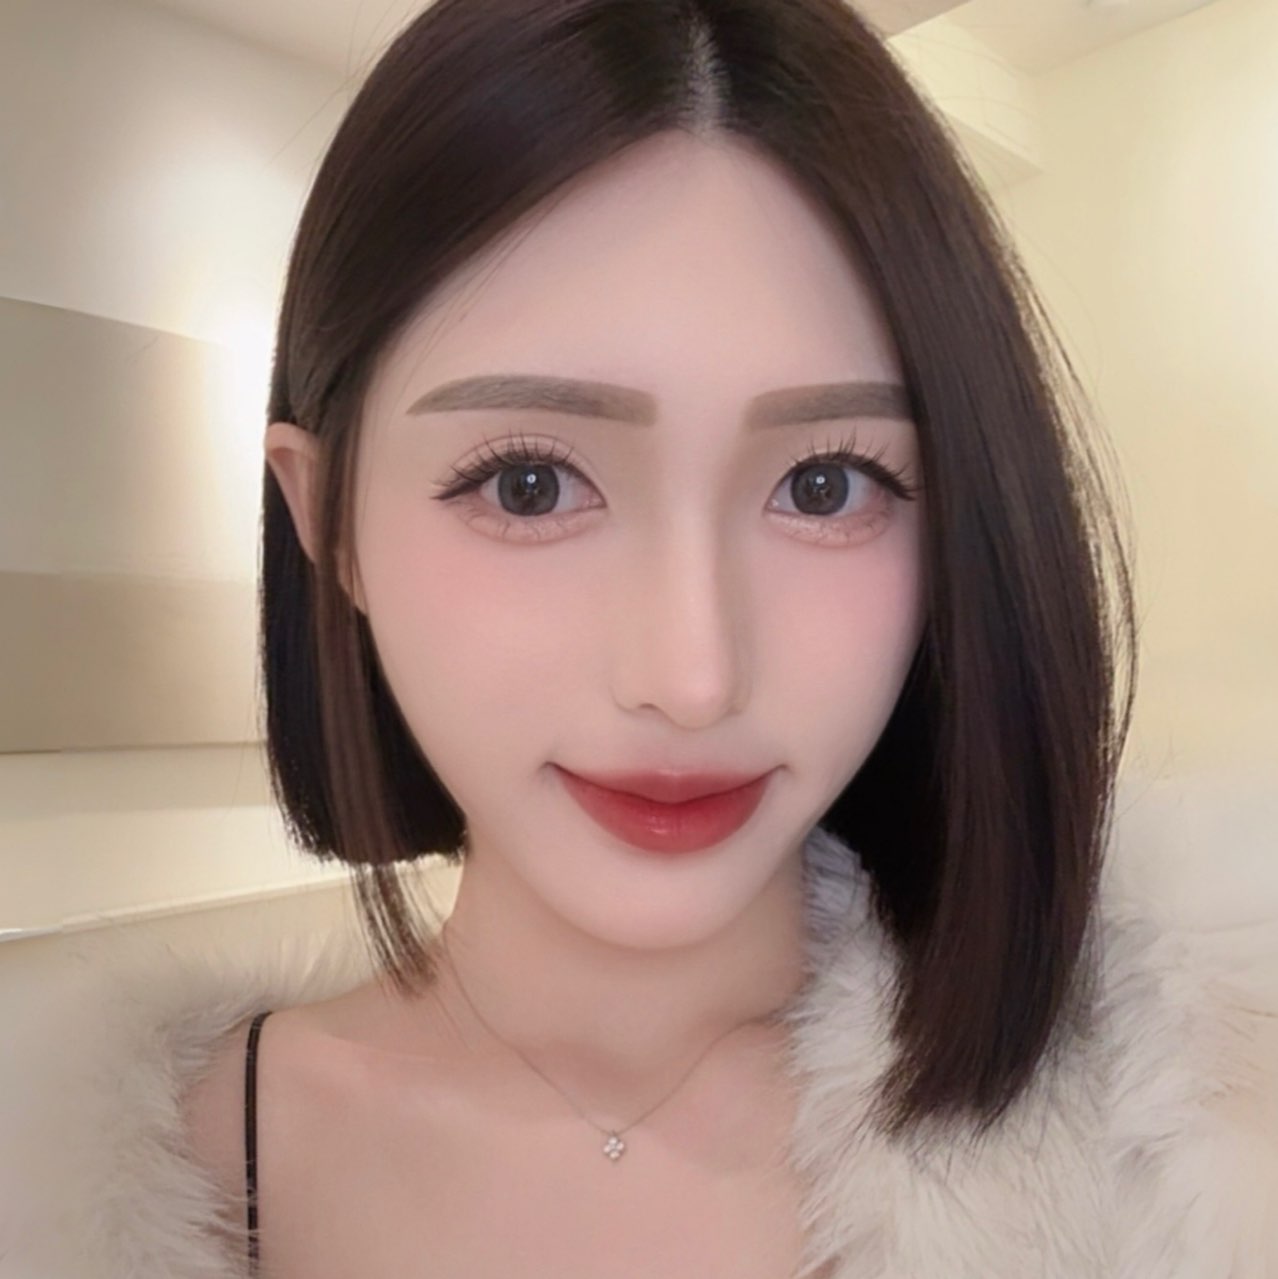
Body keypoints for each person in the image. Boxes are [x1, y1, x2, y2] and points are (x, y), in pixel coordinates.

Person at [4, 1, 1275, 1276]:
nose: (691, 678)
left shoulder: (1201, 1145)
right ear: (326, 521)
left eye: (825, 484)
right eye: (529, 486)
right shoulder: (63, 1194)